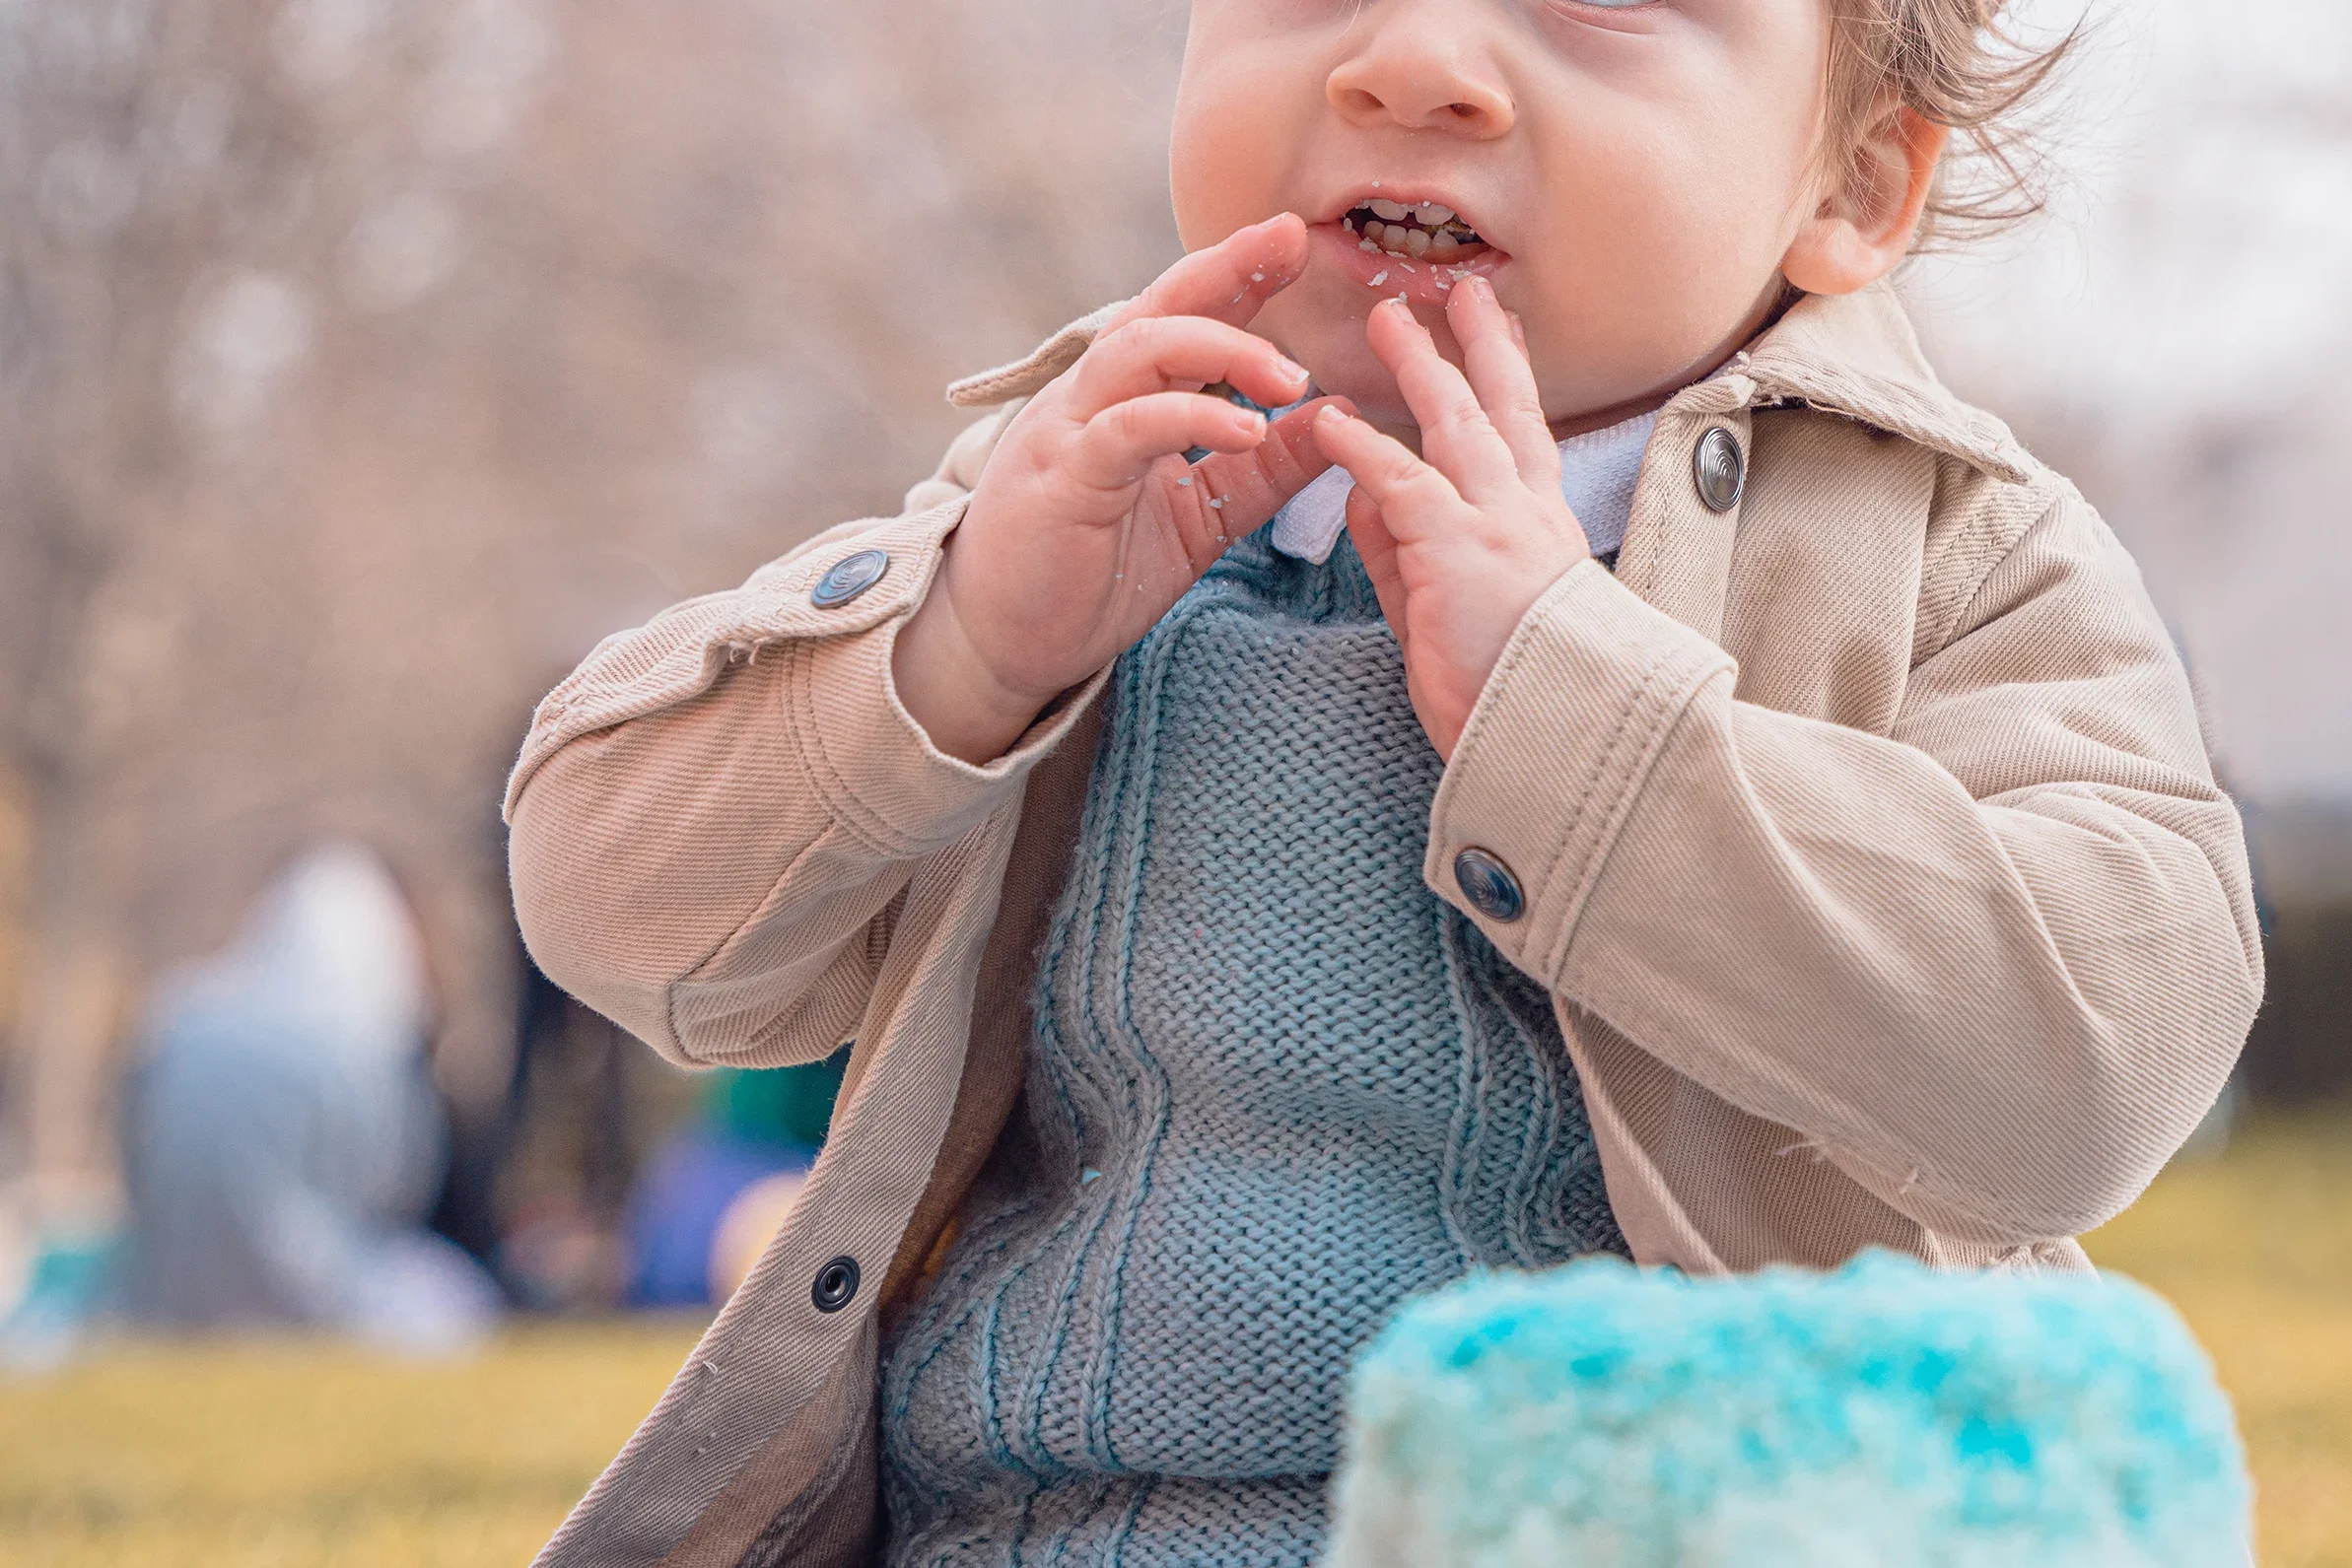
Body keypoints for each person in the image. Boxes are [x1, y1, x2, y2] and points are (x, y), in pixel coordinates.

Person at [504, 3, 2262, 1563]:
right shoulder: (1075, 499)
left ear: (1857, 183)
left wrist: (1579, 714)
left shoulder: (1946, 550)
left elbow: (2096, 1062)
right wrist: (956, 655)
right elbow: (616, 912)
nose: (1409, 55)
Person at [114, 844, 500, 1353]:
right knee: (455, 1297)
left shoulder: (179, 1015)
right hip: (320, 1297)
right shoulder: (371, 1037)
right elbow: (393, 1192)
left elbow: (139, 1172)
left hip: (171, 1301)